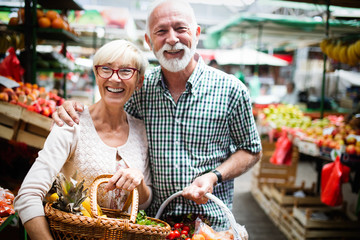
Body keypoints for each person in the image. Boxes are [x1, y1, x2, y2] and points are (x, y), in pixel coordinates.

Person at [52, 0, 262, 230]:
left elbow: (251, 150)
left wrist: (214, 176)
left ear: (197, 33)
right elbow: (106, 113)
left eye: (181, 29)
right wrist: (74, 108)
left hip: (212, 225)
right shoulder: (139, 88)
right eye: (161, 31)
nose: (172, 39)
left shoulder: (231, 90)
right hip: (154, 225)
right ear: (148, 41)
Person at [14, 40, 152, 240]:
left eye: (125, 71)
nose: (114, 79)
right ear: (96, 75)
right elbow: (27, 196)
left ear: (139, 81)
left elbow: (145, 203)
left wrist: (138, 181)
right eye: (106, 69)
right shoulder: (71, 124)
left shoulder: (140, 131)